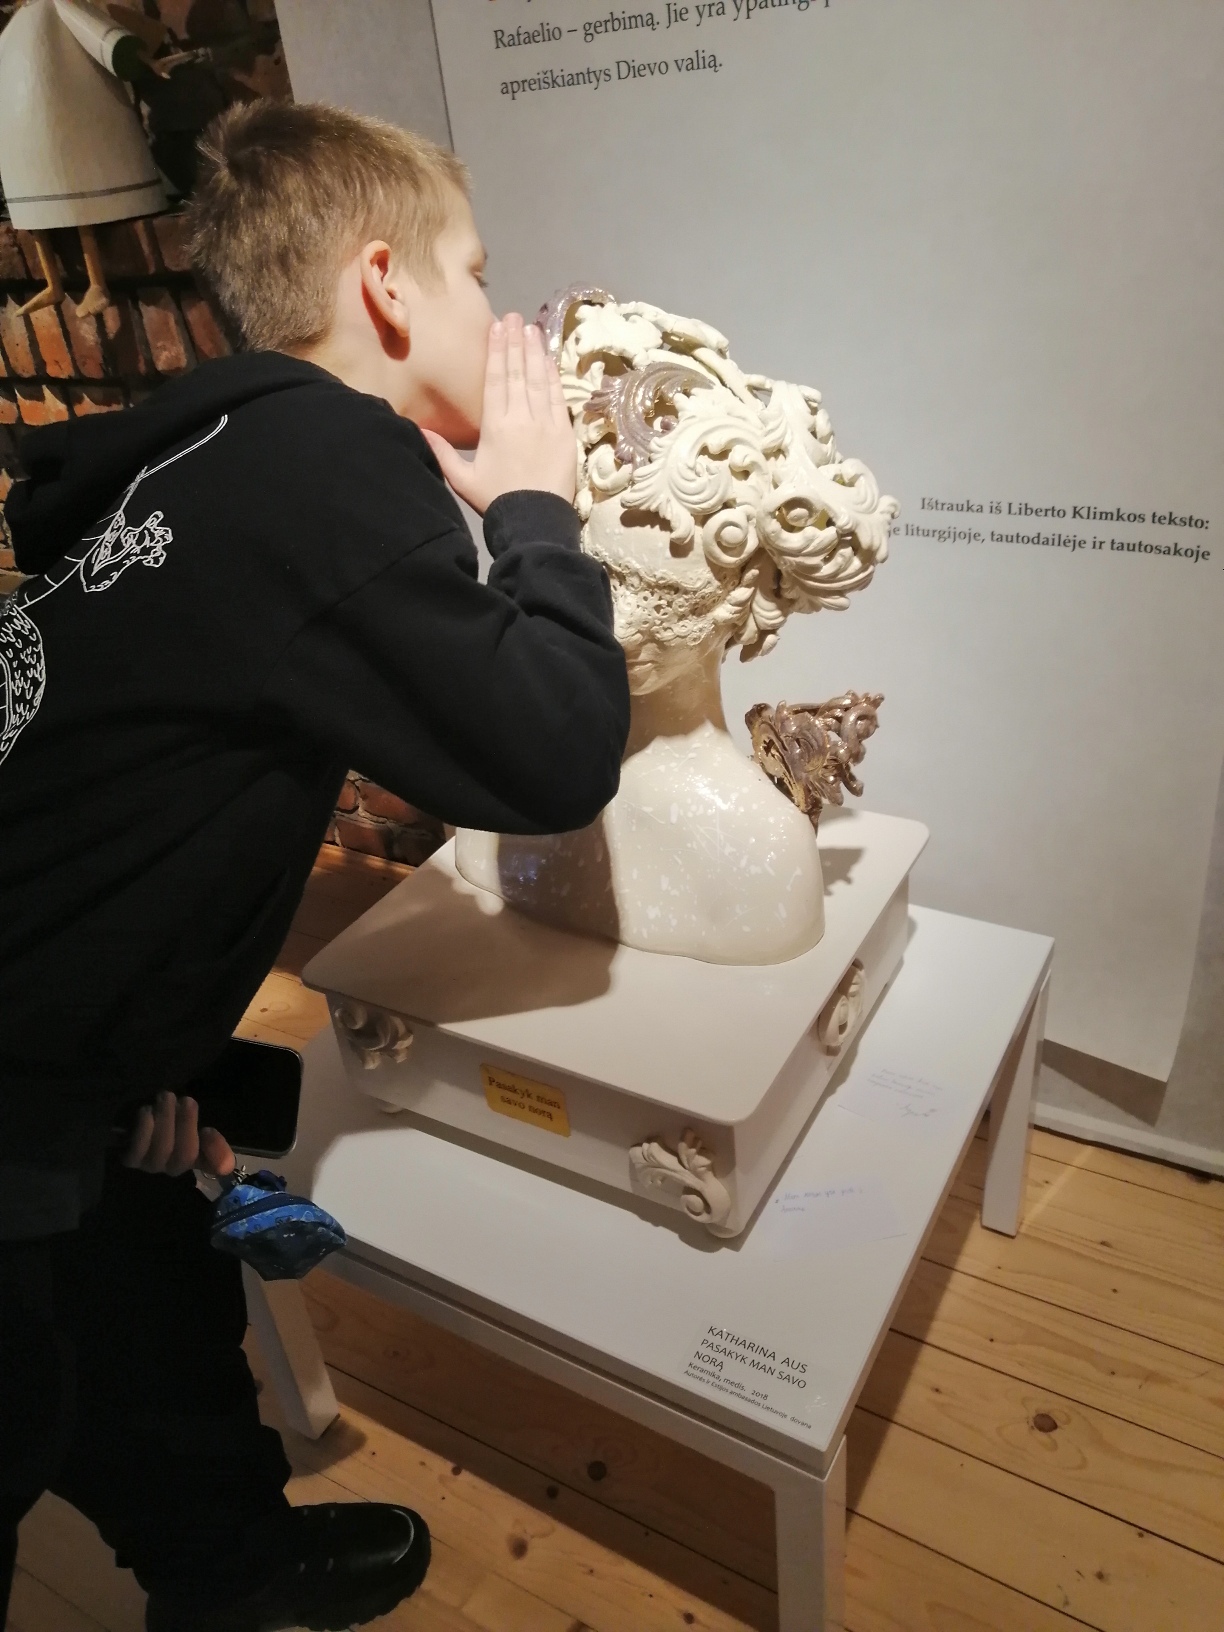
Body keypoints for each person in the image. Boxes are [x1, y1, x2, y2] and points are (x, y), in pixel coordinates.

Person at [0, 100, 630, 1632]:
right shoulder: (326, 455)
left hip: (65, 1059)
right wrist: (538, 505)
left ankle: (226, 1574)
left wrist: (115, 1076)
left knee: (145, 1312)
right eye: (476, 271)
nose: (491, 307)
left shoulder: (205, 450)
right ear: (386, 286)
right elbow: (552, 753)